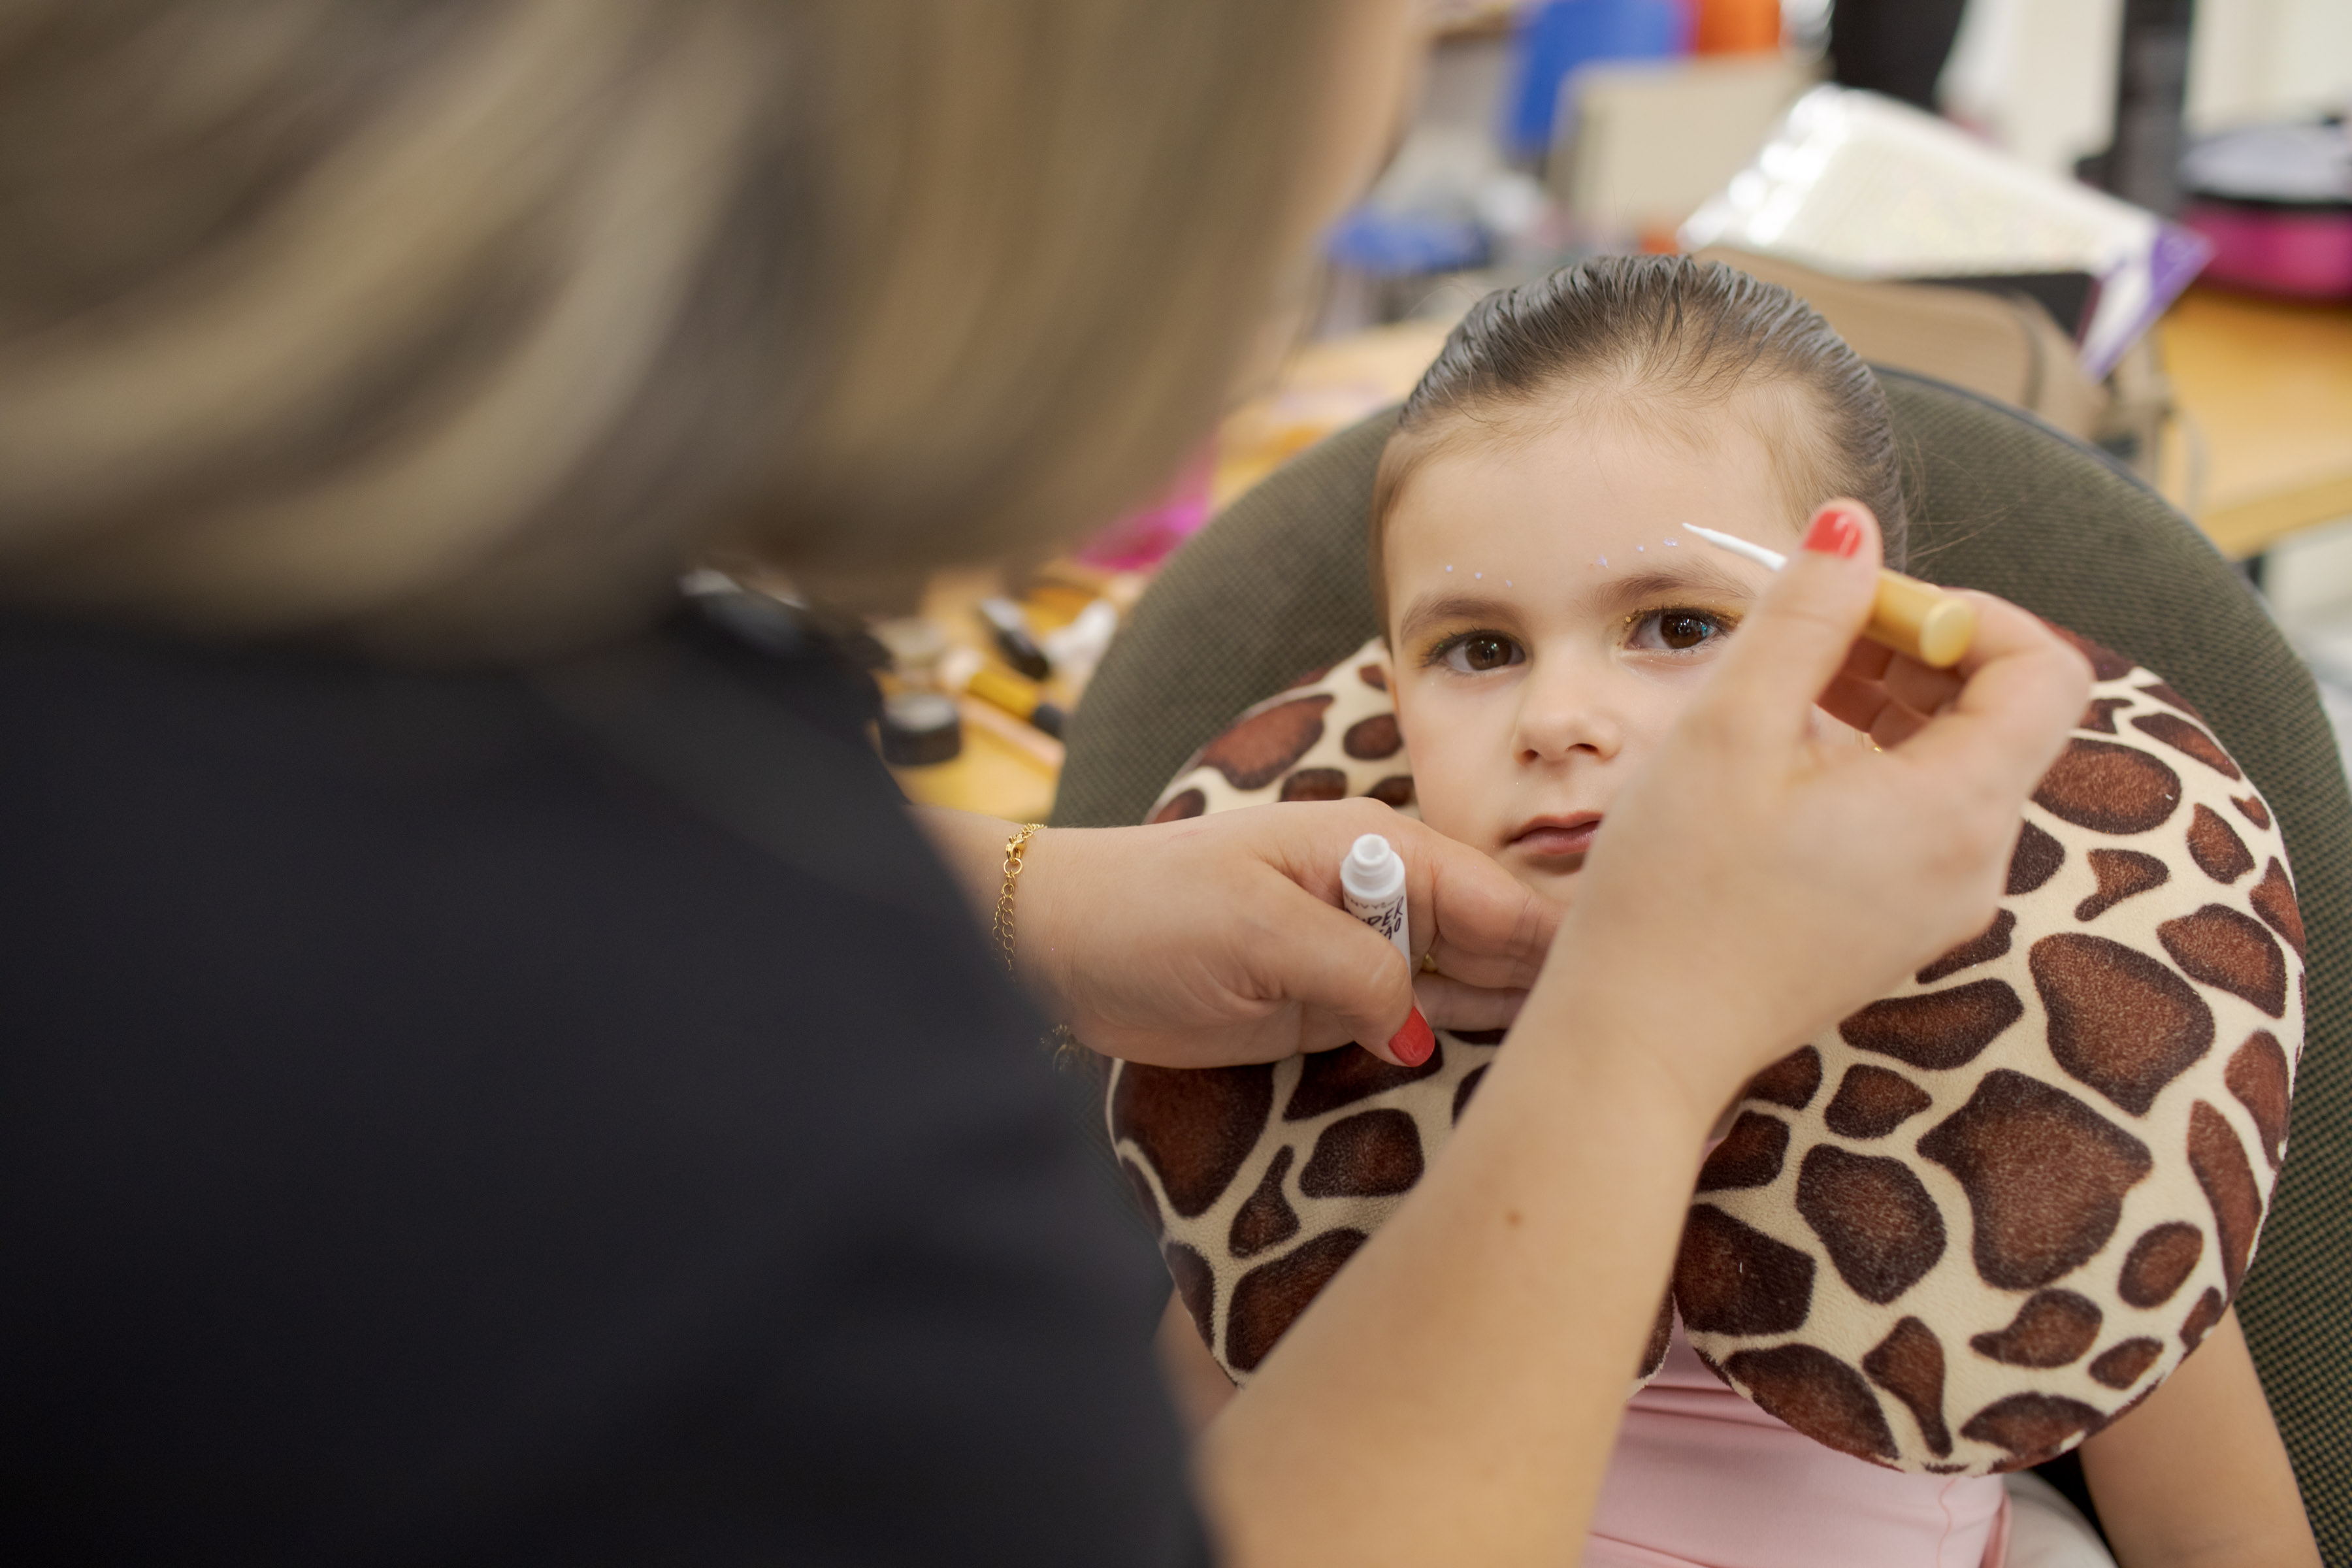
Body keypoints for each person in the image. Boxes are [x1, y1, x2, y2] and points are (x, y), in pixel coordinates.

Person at [0, 5, 2095, 1563]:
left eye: (1674, 627)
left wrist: (1014, 902)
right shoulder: (798, 1147)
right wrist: (1635, 1042)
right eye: (1480, 644)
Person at [1153, 258, 2319, 1568]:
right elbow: (1156, 1492)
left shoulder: (2043, 1046)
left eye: (1674, 624)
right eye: (1479, 650)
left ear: (1866, 644)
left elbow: (2224, 1543)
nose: (1560, 721)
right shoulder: (1332, 1044)